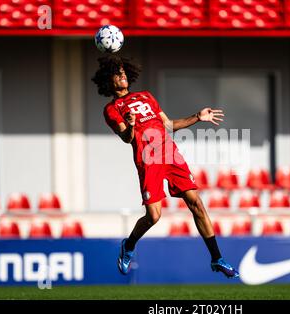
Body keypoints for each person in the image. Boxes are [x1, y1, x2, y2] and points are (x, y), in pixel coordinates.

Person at [91, 55, 239, 278]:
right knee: (153, 216)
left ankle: (217, 258)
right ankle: (128, 245)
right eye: (116, 72)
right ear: (107, 80)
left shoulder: (146, 96)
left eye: (123, 71)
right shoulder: (112, 109)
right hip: (148, 158)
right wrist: (131, 125)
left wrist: (197, 117)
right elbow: (126, 138)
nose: (121, 75)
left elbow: (168, 125)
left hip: (169, 152)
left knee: (196, 202)